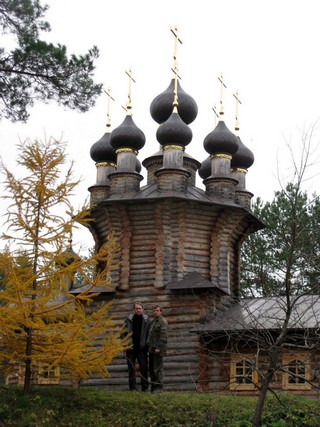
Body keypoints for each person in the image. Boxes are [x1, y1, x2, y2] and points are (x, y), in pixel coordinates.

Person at [123, 302, 151, 391]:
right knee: (131, 369)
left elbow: (149, 334)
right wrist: (126, 344)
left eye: (140, 308)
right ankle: (133, 388)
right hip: (131, 349)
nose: (138, 310)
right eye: (136, 308)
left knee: (144, 369)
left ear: (142, 309)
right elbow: (122, 333)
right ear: (134, 309)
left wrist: (147, 345)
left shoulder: (147, 321)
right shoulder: (128, 320)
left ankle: (145, 388)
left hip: (142, 349)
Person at [147, 305, 168, 393]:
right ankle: (153, 386)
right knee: (152, 369)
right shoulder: (153, 322)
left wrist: (158, 348)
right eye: (154, 310)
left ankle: (159, 387)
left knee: (158, 368)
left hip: (158, 350)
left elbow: (163, 337)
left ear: (161, 311)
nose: (155, 312)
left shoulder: (162, 321)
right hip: (151, 349)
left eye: (157, 310)